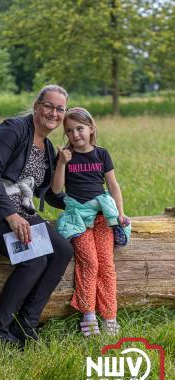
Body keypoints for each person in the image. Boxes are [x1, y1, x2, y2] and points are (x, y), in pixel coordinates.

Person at [0, 85, 73, 348]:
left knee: (63, 250)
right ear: (36, 106)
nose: (53, 113)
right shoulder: (13, 130)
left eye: (59, 109)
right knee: (34, 259)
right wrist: (10, 215)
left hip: (21, 211)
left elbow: (50, 195)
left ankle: (26, 326)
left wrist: (82, 205)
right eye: (48, 106)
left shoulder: (48, 146)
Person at [51, 107, 130, 337]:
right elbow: (56, 190)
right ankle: (88, 314)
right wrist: (62, 163)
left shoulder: (102, 154)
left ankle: (110, 316)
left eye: (80, 128)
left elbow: (113, 186)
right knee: (90, 263)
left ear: (91, 128)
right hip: (78, 218)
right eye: (69, 131)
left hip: (101, 216)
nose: (75, 134)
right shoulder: (66, 155)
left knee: (106, 265)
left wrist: (120, 213)